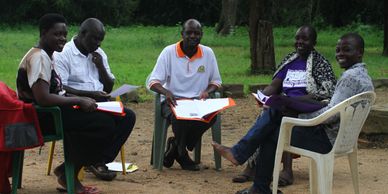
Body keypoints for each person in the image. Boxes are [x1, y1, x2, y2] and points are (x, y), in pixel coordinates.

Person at [212, 32, 374, 194]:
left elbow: (331, 115)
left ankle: (251, 174)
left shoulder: (349, 77)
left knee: (271, 130)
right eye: (338, 50)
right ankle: (250, 171)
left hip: (326, 140)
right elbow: (335, 107)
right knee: (277, 111)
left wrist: (298, 115)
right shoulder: (362, 76)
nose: (340, 54)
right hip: (340, 138)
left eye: (346, 50)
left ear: (360, 52)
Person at [15, 13, 132, 194]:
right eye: (57, 34)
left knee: (123, 116)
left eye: (64, 34)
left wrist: (85, 97)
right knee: (103, 124)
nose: (62, 38)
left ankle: (78, 166)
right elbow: (43, 98)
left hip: (55, 110)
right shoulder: (39, 57)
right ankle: (71, 172)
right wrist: (78, 100)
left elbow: (57, 90)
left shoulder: (47, 55)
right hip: (44, 116)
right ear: (44, 33)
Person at [232, 25, 337, 185]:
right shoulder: (290, 60)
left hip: (306, 107)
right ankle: (253, 165)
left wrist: (293, 101)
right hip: (284, 103)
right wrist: (264, 96)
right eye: (297, 38)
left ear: (314, 42)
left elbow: (326, 92)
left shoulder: (320, 63)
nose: (300, 42)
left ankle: (287, 171)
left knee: (283, 116)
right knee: (271, 113)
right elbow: (275, 85)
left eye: (305, 39)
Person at [53, 18, 136, 181]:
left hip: (100, 102)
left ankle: (98, 160)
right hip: (76, 103)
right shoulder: (64, 53)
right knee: (106, 123)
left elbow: (108, 87)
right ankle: (92, 162)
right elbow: (60, 87)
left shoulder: (99, 54)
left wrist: (101, 67)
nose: (98, 43)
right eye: (94, 38)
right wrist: (89, 95)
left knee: (128, 117)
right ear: (82, 34)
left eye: (101, 40)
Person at [147, 19, 222, 171]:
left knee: (212, 115)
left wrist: (208, 91)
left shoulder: (208, 53)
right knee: (179, 118)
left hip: (197, 102)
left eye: (197, 33)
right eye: (189, 33)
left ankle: (176, 146)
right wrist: (166, 92)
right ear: (182, 34)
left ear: (201, 35)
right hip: (172, 101)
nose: (193, 36)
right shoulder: (169, 52)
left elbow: (216, 81)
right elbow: (153, 82)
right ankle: (181, 154)